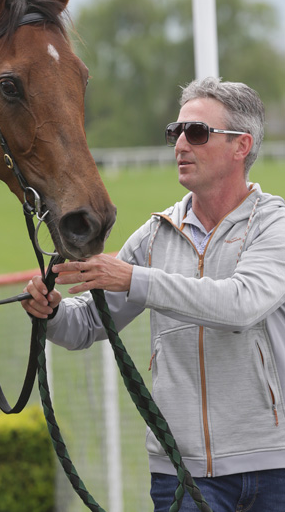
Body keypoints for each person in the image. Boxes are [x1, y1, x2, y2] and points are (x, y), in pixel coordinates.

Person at [22, 77, 285, 511]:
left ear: (242, 146)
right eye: (175, 132)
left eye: (196, 132)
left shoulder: (274, 225)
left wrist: (134, 279)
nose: (181, 144)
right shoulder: (154, 235)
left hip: (274, 469)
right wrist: (49, 313)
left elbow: (241, 305)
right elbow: (87, 323)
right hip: (178, 473)